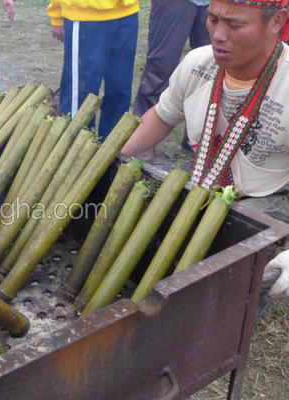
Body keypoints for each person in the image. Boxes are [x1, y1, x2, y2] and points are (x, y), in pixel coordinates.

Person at [121, 0, 289, 298]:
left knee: (225, 277)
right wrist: (116, 158)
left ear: (276, 21)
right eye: (212, 20)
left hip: (267, 200)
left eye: (234, 25)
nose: (218, 35)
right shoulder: (199, 63)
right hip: (207, 181)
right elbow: (161, 116)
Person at [47, 0, 139, 138]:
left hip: (127, 13)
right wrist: (56, 15)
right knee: (81, 94)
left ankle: (111, 151)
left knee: (120, 90)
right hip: (85, 15)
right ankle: (74, 151)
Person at [133, 0, 211, 118]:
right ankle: (142, 125)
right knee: (161, 66)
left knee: (210, 69)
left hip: (214, 5)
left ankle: (198, 132)